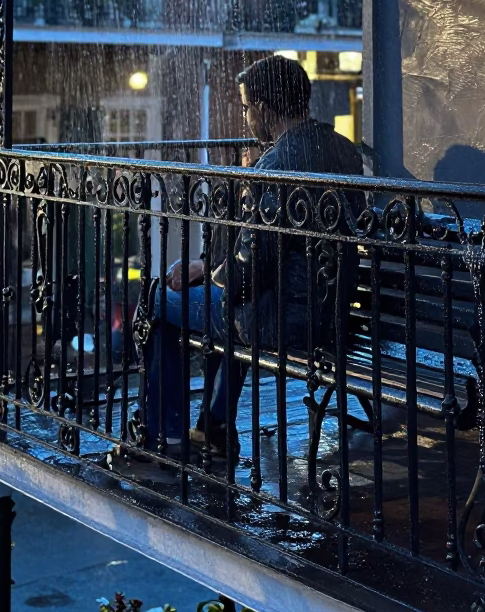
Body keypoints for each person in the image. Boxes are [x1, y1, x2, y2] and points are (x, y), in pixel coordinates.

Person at [141, 54, 363, 456]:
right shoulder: (343, 150)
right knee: (216, 301)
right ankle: (213, 424)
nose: (245, 117)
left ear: (261, 108)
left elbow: (248, 272)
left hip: (281, 319)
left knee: (159, 300)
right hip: (333, 310)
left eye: (246, 107)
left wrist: (211, 275)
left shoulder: (275, 164)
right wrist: (211, 270)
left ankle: (164, 433)